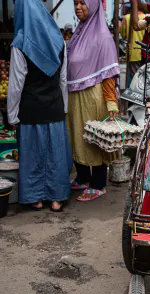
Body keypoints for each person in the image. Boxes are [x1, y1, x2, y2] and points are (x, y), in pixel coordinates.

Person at [7, 0, 72, 212]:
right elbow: (63, 80)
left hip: (31, 110)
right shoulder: (59, 41)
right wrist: (63, 108)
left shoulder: (20, 44)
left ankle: (35, 198)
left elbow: (16, 85)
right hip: (54, 108)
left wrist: (12, 115)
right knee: (55, 156)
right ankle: (56, 199)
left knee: (33, 155)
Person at [67, 0, 120, 201]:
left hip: (93, 97)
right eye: (75, 3)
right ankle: (83, 177)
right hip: (76, 96)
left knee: (94, 139)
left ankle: (98, 184)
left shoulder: (102, 37)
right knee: (78, 137)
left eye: (83, 2)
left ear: (94, 5)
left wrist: (111, 103)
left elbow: (108, 75)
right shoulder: (80, 32)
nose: (78, 7)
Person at [120, 6, 145, 84]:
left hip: (133, 52)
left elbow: (123, 34)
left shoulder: (126, 18)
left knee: (135, 77)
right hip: (145, 51)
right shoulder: (146, 17)